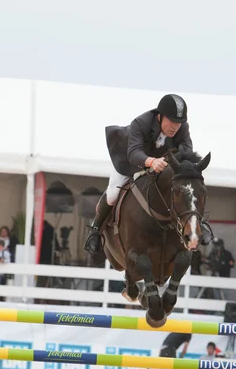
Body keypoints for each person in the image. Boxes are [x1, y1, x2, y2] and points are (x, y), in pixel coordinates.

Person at [84, 94, 212, 254]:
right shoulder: (141, 123)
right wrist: (151, 161)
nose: (175, 127)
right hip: (128, 161)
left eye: (178, 123)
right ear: (160, 116)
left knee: (184, 188)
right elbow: (133, 153)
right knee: (113, 194)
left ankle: (200, 223)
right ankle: (95, 230)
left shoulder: (182, 128)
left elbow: (186, 153)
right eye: (171, 121)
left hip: (159, 163)